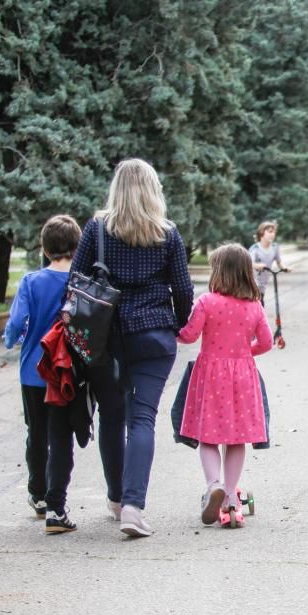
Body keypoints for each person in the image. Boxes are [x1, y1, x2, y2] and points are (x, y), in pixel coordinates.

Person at [73, 158, 194, 538]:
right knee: (141, 419)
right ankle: (133, 507)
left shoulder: (97, 230)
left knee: (111, 416)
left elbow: (75, 281)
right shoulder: (167, 234)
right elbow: (184, 290)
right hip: (154, 335)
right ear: (153, 189)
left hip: (106, 338)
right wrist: (177, 324)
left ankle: (114, 498)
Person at [177, 244, 273, 528]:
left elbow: (189, 335)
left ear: (218, 272)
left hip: (211, 374)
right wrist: (244, 353)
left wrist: (173, 331)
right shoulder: (254, 306)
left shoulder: (207, 302)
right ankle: (231, 496)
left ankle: (213, 487)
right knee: (236, 437)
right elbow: (266, 343)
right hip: (243, 374)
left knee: (208, 435)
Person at [2, 215, 82, 533]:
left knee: (36, 432)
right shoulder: (79, 282)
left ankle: (37, 495)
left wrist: (12, 340)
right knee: (60, 435)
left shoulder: (31, 282)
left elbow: (16, 323)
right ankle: (55, 501)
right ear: (77, 248)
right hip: (67, 371)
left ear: (45, 249)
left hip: (33, 371)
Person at [249, 221, 290, 304]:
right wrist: (257, 265)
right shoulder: (255, 248)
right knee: (258, 304)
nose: (273, 234)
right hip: (252, 283)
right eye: (270, 232)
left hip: (263, 284)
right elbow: (248, 263)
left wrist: (284, 268)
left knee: (261, 300)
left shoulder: (274, 248)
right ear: (261, 233)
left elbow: (279, 262)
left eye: (274, 232)